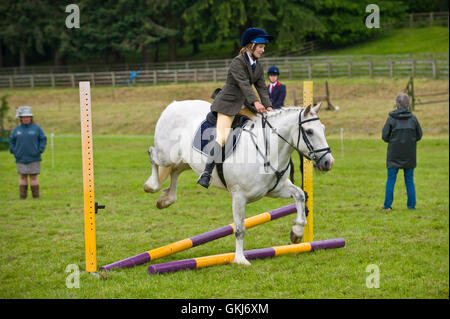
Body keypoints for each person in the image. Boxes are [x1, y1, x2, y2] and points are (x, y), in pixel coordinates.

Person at [197, 27, 274, 188]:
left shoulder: (258, 66)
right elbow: (245, 85)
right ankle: (206, 173)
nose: (263, 49)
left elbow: (262, 88)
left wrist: (268, 106)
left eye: (263, 46)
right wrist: (256, 103)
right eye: (260, 46)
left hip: (244, 105)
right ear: (250, 46)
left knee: (266, 126)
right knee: (223, 138)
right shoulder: (237, 62)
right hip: (227, 104)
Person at [382, 93, 422, 211]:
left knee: (391, 180)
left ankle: (387, 206)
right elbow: (419, 135)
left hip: (394, 155)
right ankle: (411, 206)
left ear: (397, 105)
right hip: (409, 155)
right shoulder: (413, 118)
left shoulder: (391, 119)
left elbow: (385, 136)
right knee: (409, 180)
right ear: (408, 104)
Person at [9, 106, 47, 199]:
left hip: (34, 157)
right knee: (22, 177)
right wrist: (14, 151)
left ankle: (36, 197)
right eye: (24, 117)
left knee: (33, 177)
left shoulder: (37, 128)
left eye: (27, 116)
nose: (26, 118)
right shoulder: (17, 130)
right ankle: (22, 197)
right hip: (20, 157)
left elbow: (43, 139)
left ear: (31, 117)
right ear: (21, 118)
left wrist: (40, 150)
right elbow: (12, 141)